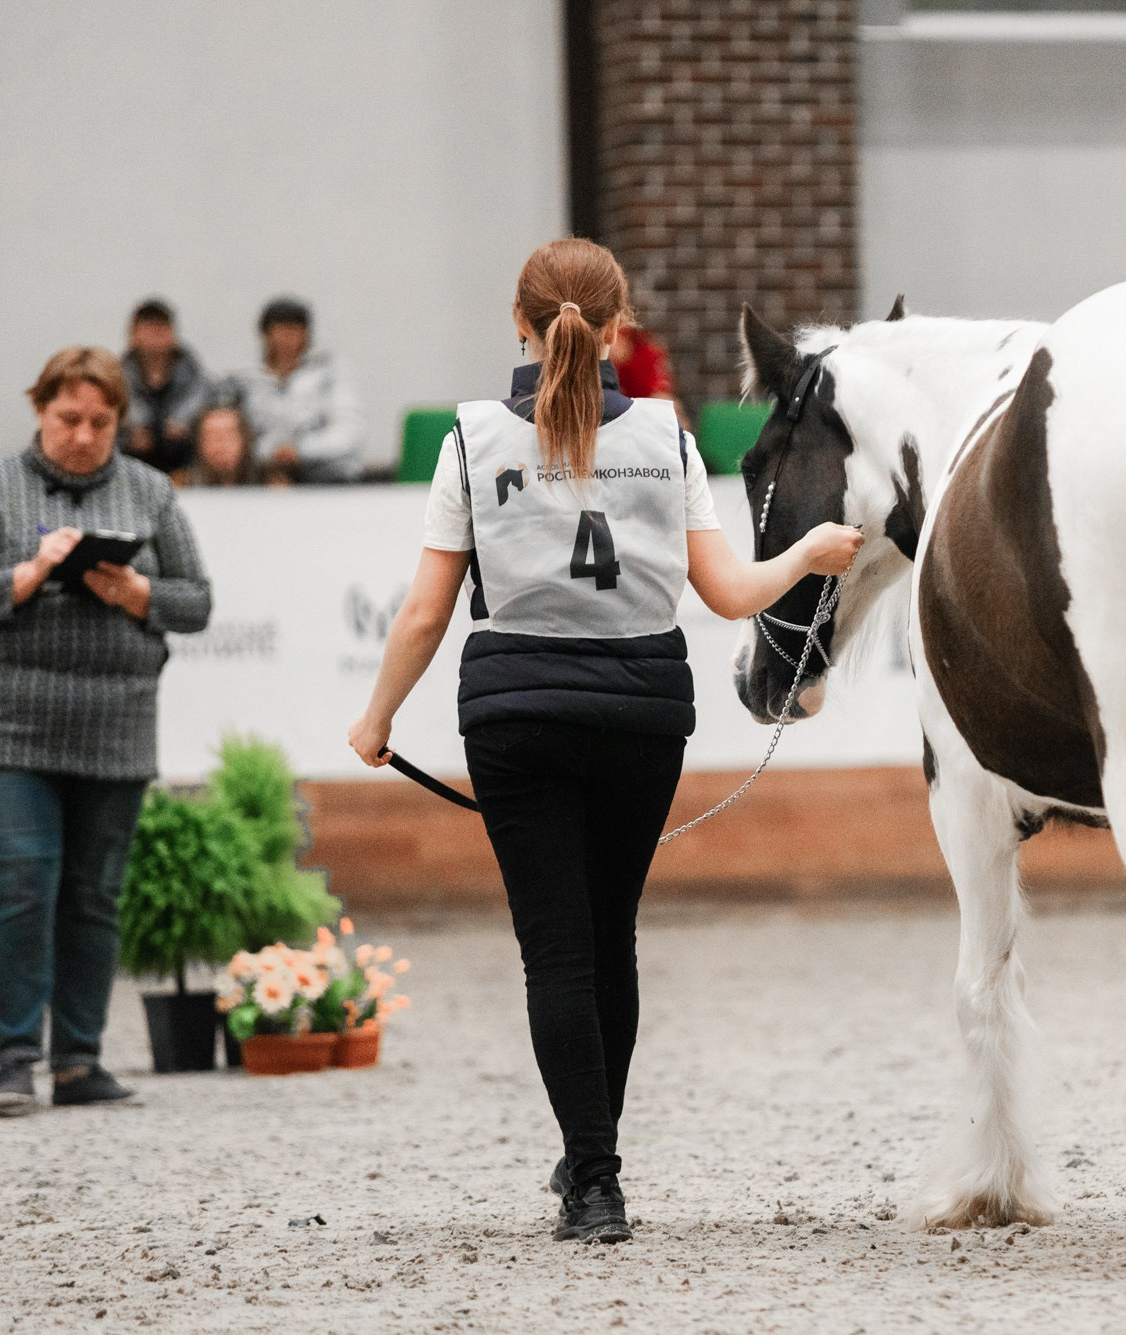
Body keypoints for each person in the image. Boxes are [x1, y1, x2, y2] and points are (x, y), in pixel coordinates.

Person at [345, 239, 862, 1244]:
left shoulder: (472, 439)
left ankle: (591, 1178)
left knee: (555, 956)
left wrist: (376, 721)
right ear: (620, 326)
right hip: (640, 710)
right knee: (609, 937)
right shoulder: (664, 437)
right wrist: (806, 550)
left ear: (519, 320)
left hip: (514, 712)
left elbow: (419, 616)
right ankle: (595, 1160)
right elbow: (725, 594)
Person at [0, 347, 213, 1116]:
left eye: (101, 420)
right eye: (68, 419)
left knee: (94, 895)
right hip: (4, 721)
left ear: (120, 421)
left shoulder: (150, 492)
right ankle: (16, 1061)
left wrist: (136, 591)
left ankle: (79, 1061)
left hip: (114, 720)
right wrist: (26, 574)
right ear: (40, 411)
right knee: (23, 884)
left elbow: (196, 603)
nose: (85, 435)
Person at [229, 296, 366, 483]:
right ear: (265, 334)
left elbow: (348, 433)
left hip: (329, 475)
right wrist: (270, 453)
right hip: (263, 475)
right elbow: (234, 436)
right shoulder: (245, 379)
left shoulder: (329, 373)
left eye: (295, 331)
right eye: (280, 331)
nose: (287, 340)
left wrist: (299, 451)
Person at [120, 299, 215, 476]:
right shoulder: (118, 379)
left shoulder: (196, 379)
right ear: (134, 335)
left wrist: (188, 426)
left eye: (161, 329)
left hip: (186, 468)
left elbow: (206, 405)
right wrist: (128, 434)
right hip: (132, 466)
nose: (156, 338)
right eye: (149, 330)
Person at [181, 400, 264, 487]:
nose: (220, 446)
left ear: (245, 441)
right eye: (211, 437)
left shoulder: (270, 484)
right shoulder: (180, 486)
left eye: (228, 436)